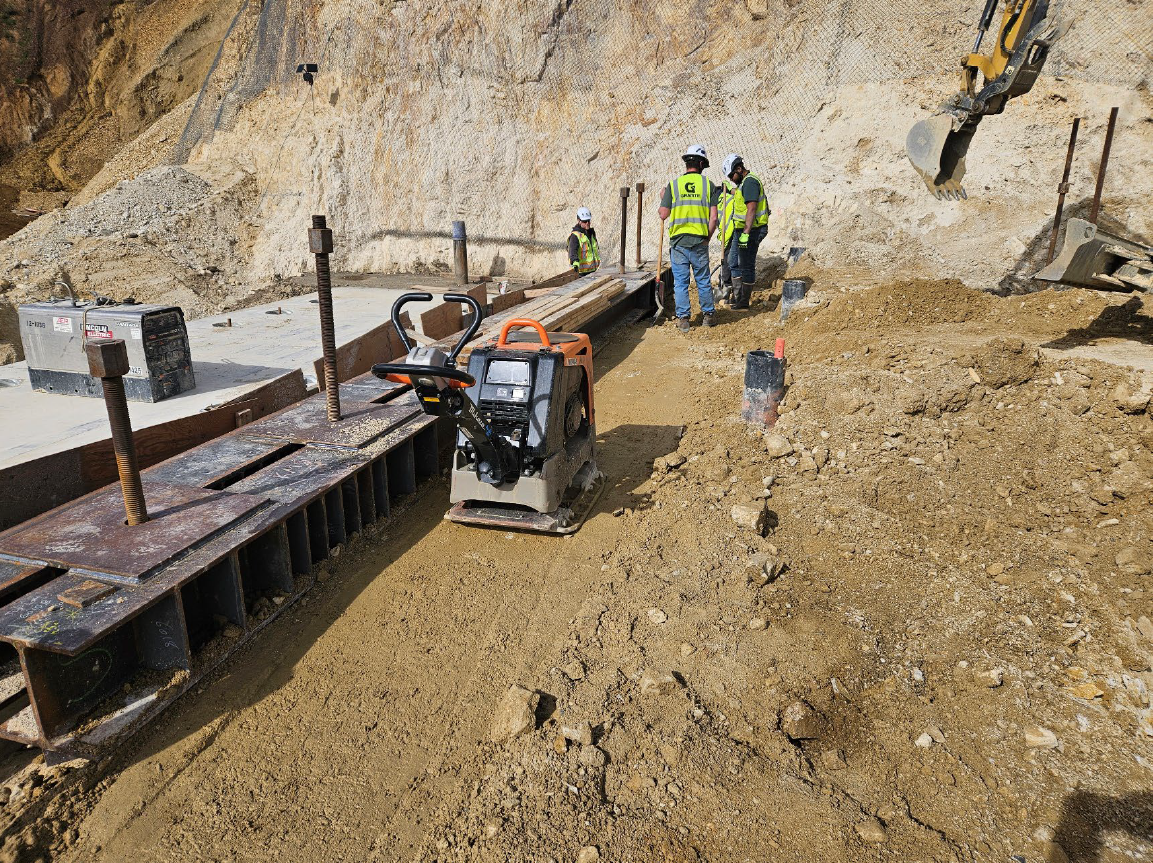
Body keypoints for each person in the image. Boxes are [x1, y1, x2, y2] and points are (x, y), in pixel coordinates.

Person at [657, 144, 720, 331]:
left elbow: (662, 214)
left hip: (678, 244)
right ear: (701, 164)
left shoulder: (673, 185)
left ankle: (684, 319)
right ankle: (708, 316)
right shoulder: (708, 185)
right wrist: (707, 238)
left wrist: (664, 198)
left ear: (687, 163)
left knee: (681, 282)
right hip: (700, 241)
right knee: (703, 280)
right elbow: (714, 217)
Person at [721, 153, 770, 310]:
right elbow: (741, 195)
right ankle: (737, 295)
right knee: (732, 261)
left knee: (746, 264)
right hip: (740, 229)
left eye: (731, 175)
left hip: (752, 230)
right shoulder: (743, 184)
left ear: (739, 169)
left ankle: (743, 301)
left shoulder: (750, 182)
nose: (730, 179)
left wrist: (746, 234)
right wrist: (729, 190)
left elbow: (751, 208)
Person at [716, 182, 738, 302]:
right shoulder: (730, 198)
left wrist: (723, 242)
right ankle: (733, 292)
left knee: (727, 262)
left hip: (730, 234)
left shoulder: (719, 202)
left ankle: (726, 290)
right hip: (739, 231)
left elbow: (722, 223)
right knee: (734, 262)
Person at [568, 207, 601, 274]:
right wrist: (575, 263)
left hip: (594, 271)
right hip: (581, 273)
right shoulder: (575, 235)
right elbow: (572, 252)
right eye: (585, 221)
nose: (587, 223)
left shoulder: (591, 234)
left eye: (588, 220)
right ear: (579, 221)